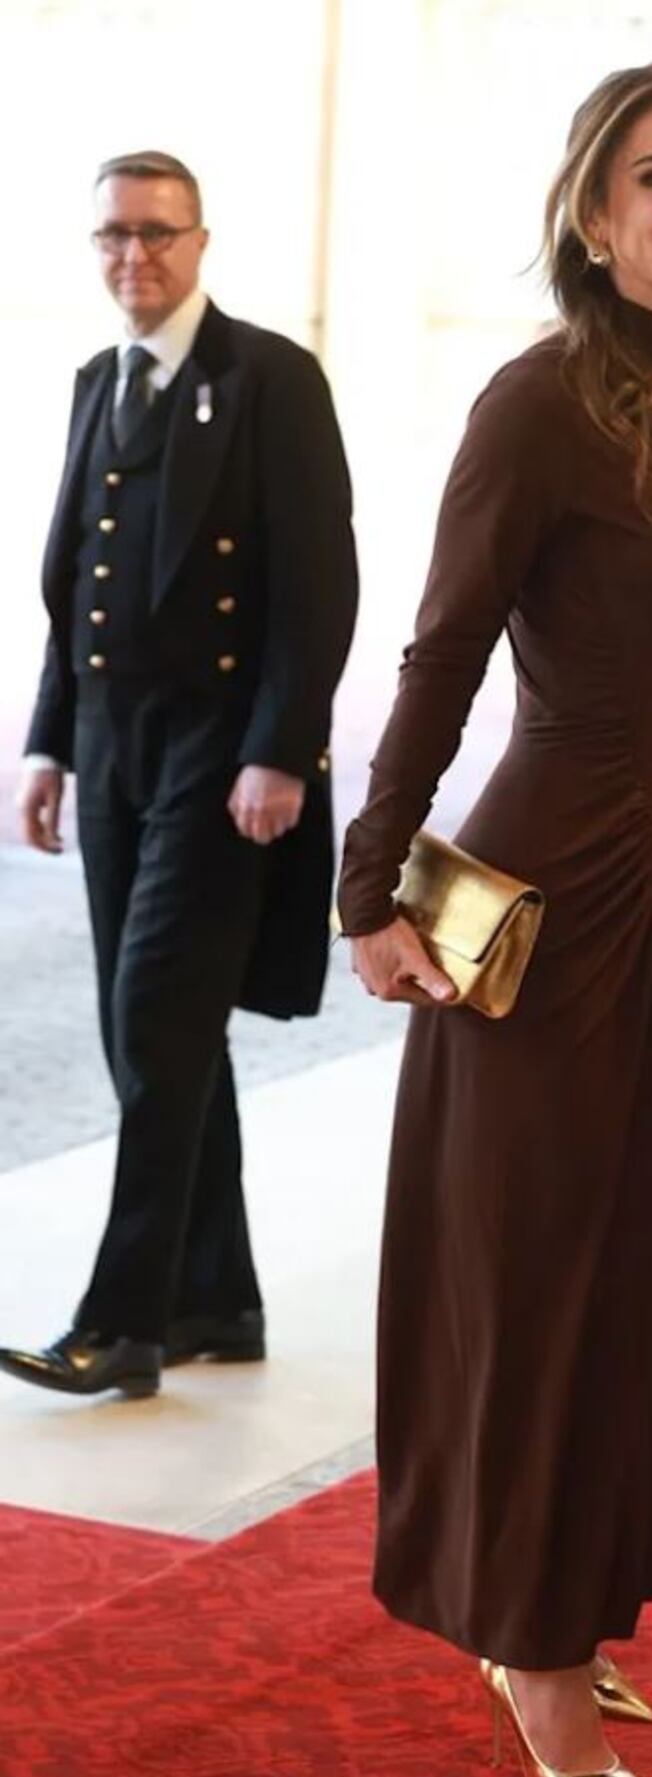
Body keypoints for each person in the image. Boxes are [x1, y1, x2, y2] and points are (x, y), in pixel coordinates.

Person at [337, 63, 652, 1777]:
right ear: (594, 214)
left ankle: (570, 1582)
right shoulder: (541, 404)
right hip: (545, 918)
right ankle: (529, 1635)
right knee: (541, 1289)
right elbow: (443, 653)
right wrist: (369, 892)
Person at [0, 151, 357, 1400]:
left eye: (155, 234)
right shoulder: (99, 381)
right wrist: (48, 740)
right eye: (111, 236)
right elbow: (74, 592)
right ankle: (218, 1298)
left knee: (158, 1022)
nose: (132, 257)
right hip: (111, 749)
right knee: (148, 1030)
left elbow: (320, 588)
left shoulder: (269, 379)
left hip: (220, 761)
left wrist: (280, 748)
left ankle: (126, 1320)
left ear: (200, 240)